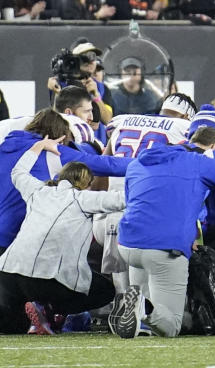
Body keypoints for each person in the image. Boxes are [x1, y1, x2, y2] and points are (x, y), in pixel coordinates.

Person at [110, 125, 215, 338]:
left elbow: (132, 200)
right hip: (163, 246)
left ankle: (137, 309)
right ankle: (144, 309)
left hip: (127, 245)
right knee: (171, 325)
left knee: (148, 303)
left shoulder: (136, 164)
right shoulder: (197, 162)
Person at [0, 138, 125, 334]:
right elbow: (122, 200)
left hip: (8, 274)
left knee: (12, 328)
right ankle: (49, 309)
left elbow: (18, 172)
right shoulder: (84, 198)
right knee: (105, 290)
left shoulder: (37, 191)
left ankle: (43, 318)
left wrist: (38, 146)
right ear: (87, 183)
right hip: (46, 279)